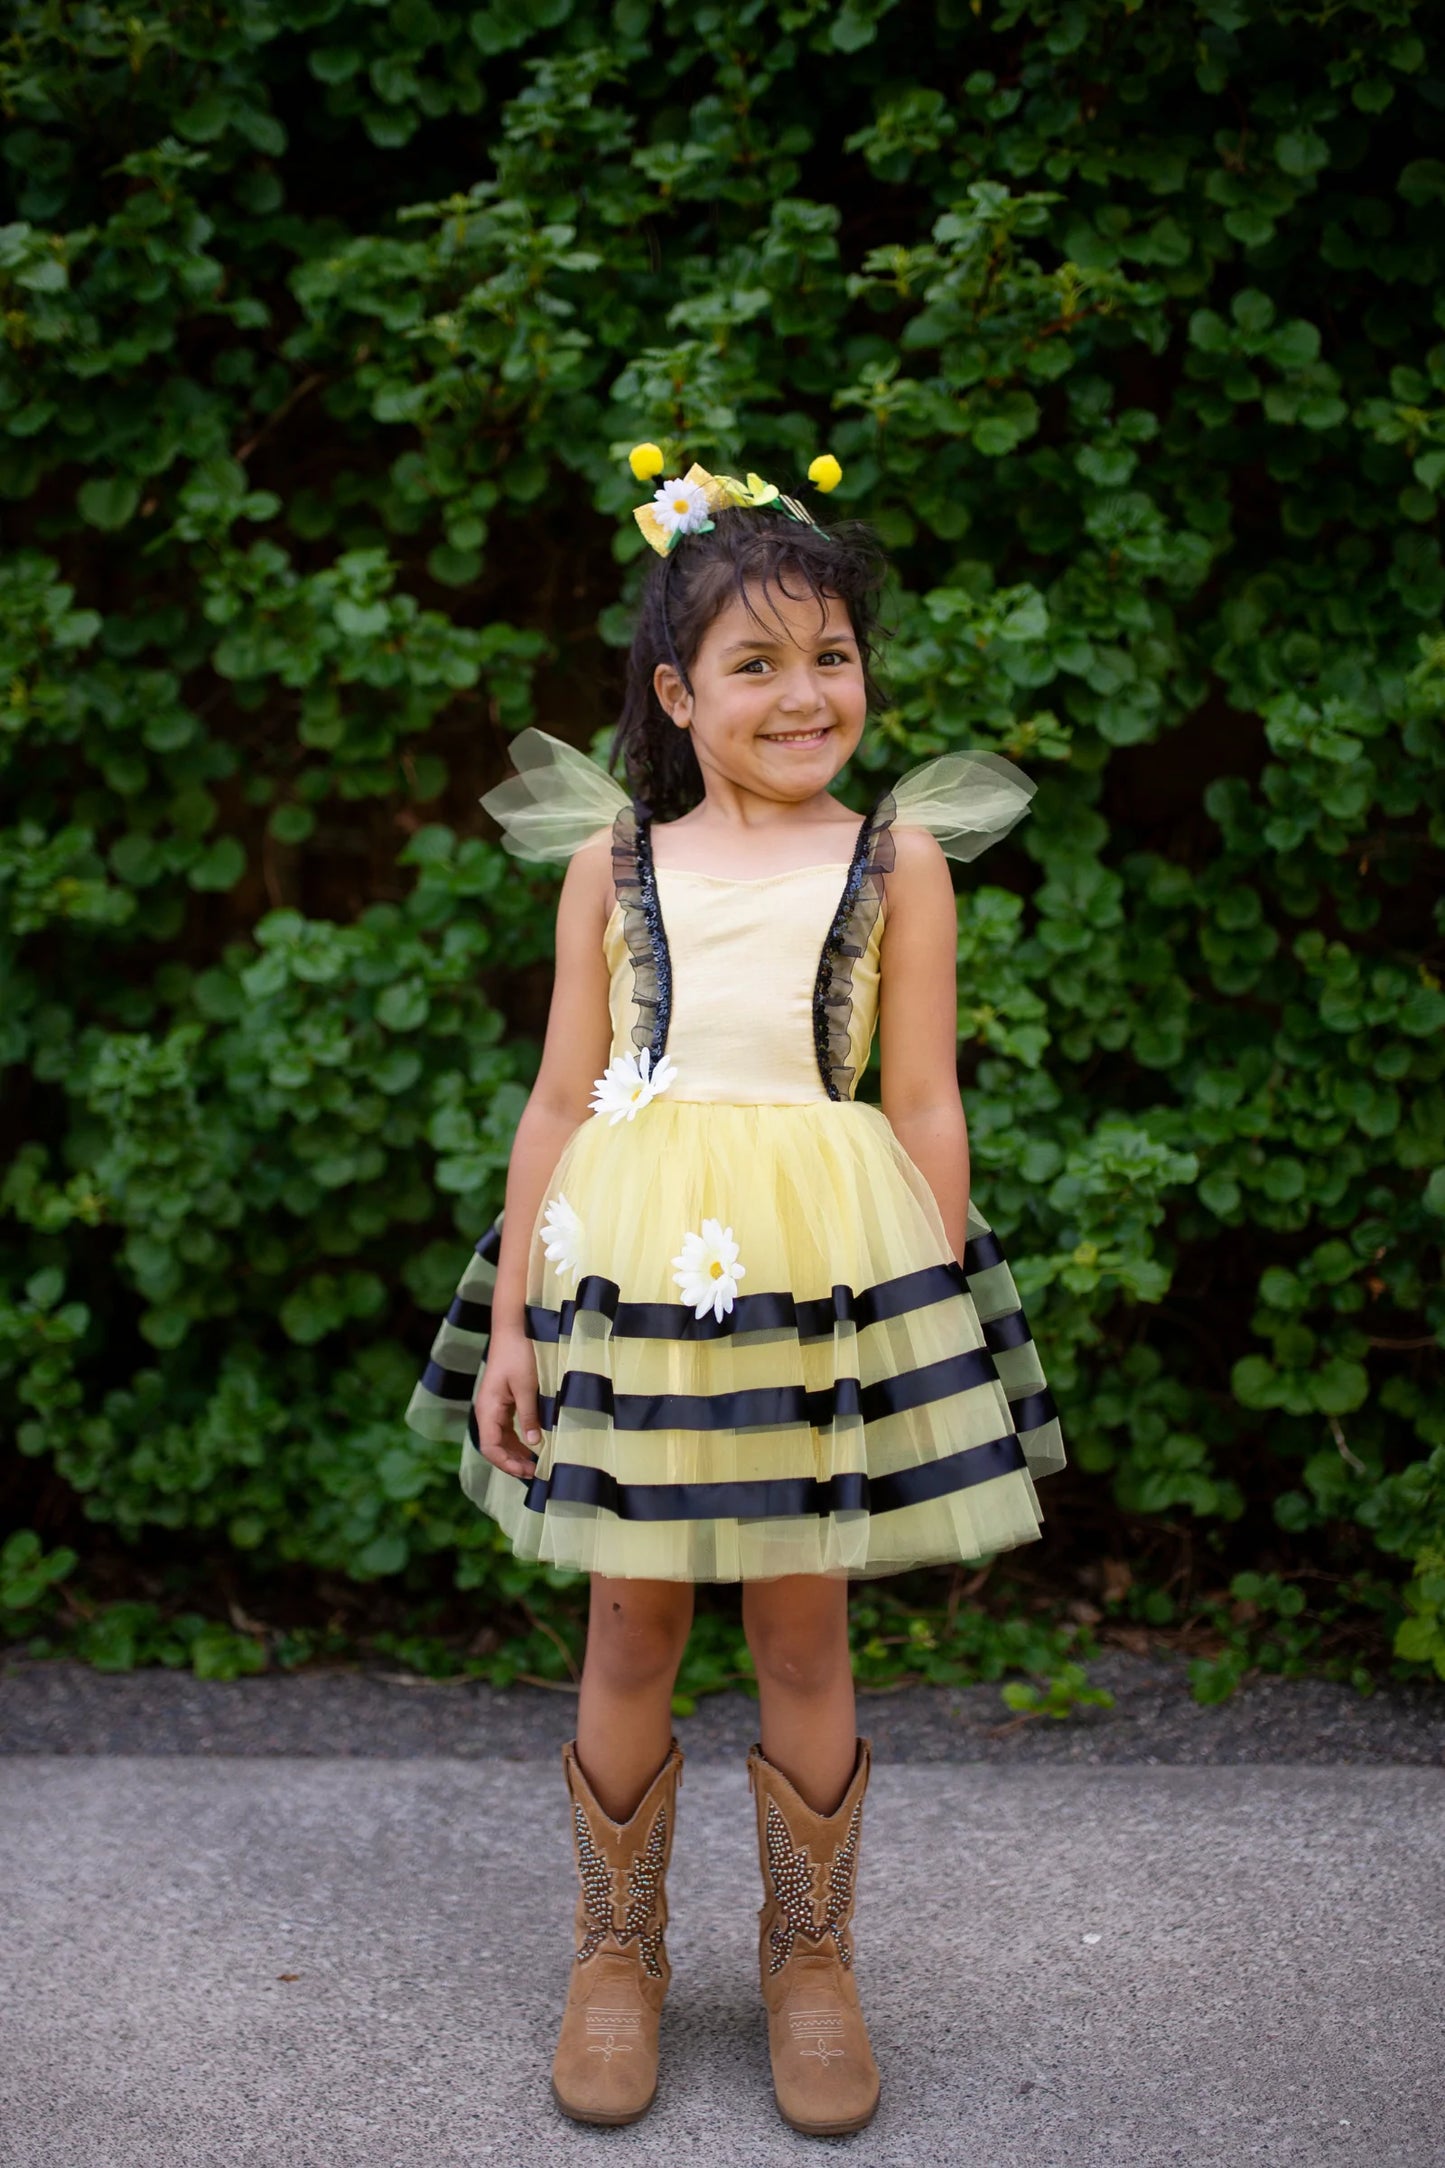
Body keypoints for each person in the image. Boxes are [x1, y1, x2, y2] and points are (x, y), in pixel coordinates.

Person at [406, 453, 1065, 2136]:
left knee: (801, 1618)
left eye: (829, 655)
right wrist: (512, 1323)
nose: (802, 693)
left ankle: (809, 1963)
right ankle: (614, 1954)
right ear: (676, 693)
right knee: (629, 1616)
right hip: (633, 1272)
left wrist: (919, 1315)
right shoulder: (612, 868)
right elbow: (561, 1101)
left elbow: (918, 1101)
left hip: (819, 1277)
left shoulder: (894, 864)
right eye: (755, 665)